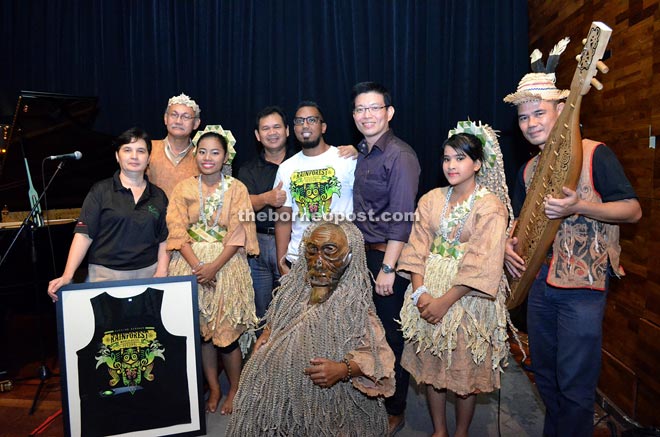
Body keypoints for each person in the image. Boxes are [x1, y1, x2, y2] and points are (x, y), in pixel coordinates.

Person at [503, 39, 642, 437]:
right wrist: (509, 246)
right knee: (545, 375)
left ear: (561, 111)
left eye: (538, 113)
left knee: (576, 384)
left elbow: (632, 210)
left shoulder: (596, 154)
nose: (530, 123)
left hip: (583, 288)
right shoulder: (528, 170)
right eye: (523, 117)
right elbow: (518, 221)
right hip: (541, 288)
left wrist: (579, 206)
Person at [226, 221, 395, 436]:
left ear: (349, 257)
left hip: (332, 411)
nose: (318, 262)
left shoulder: (354, 308)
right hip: (283, 399)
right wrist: (268, 333)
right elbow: (277, 316)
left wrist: (344, 369)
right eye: (312, 251)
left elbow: (381, 359)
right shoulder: (294, 292)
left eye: (329, 252)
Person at [398, 122, 512, 437]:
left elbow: (483, 262)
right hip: (427, 292)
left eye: (460, 158)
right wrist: (420, 294)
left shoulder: (491, 206)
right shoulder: (431, 199)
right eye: (447, 158)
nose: (451, 165)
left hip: (468, 303)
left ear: (477, 164)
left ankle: (461, 432)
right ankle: (439, 430)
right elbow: (416, 249)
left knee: (463, 366)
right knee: (432, 367)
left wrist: (445, 302)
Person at [166, 126, 259, 415]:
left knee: (227, 334)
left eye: (215, 152)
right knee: (203, 333)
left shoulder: (238, 189)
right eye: (203, 151)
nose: (208, 157)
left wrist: (215, 267)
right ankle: (214, 388)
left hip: (227, 266)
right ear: (196, 154)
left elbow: (239, 231)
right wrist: (197, 267)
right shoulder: (183, 188)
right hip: (189, 264)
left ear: (225, 156)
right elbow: (177, 228)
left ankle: (233, 387)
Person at [350, 81, 420, 434]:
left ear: (389, 113)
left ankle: (396, 408)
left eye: (374, 108)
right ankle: (371, 397)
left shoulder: (400, 156)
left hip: (387, 259)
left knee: (392, 337)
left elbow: (402, 217)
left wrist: (389, 268)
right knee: (367, 333)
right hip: (361, 259)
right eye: (360, 109)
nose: (367, 115)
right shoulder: (363, 152)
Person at [47, 127, 169, 301]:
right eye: (127, 150)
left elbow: (164, 238)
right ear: (117, 156)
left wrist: (161, 272)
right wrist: (68, 275)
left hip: (148, 274)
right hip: (105, 276)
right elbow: (83, 235)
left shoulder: (159, 196)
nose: (134, 156)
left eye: (141, 151)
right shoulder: (100, 191)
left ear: (149, 158)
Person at [274, 101, 356, 274]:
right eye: (299, 121)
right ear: (294, 128)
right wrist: (281, 261)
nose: (305, 125)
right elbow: (283, 217)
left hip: (339, 258)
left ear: (323, 127)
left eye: (312, 120)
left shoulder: (346, 159)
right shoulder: (286, 168)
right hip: (299, 260)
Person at [237, 106, 295, 321]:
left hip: (294, 242)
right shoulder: (247, 169)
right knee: (261, 312)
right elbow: (240, 205)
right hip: (258, 246)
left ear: (287, 130)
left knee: (294, 308)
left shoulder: (301, 163)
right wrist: (266, 199)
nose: (272, 133)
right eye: (266, 128)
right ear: (257, 135)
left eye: (277, 127)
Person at [146, 93, 201, 198]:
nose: (178, 121)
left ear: (196, 123)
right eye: (174, 115)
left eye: (186, 117)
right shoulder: (148, 148)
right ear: (165, 118)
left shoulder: (202, 156)